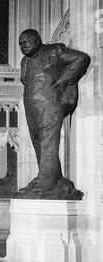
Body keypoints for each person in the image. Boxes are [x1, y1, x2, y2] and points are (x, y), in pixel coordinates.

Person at [17, 29, 90, 198]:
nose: (23, 46)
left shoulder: (54, 50)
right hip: (31, 106)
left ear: (36, 39)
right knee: (37, 141)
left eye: (25, 41)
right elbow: (24, 81)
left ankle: (47, 182)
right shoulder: (24, 61)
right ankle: (49, 176)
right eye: (20, 44)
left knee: (48, 139)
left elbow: (81, 58)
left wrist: (64, 79)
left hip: (51, 102)